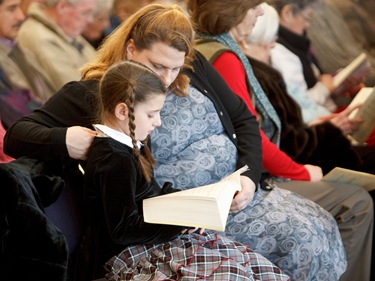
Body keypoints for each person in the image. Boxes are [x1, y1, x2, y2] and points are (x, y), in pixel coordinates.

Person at [4, 4, 347, 280]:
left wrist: (247, 176)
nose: (167, 79)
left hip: (229, 194)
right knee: (300, 241)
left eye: (175, 68)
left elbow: (243, 120)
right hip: (179, 217)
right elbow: (19, 136)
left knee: (321, 225)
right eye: (157, 65)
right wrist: (67, 139)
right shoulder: (97, 92)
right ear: (131, 47)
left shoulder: (192, 66)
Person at [186, 0, 373, 279]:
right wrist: (299, 171)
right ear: (232, 12)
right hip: (245, 180)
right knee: (357, 201)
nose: (261, 12)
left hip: (236, 175)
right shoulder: (222, 57)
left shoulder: (207, 49)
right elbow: (250, 135)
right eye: (253, 7)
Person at [84, 59, 290, 280]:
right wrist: (178, 222)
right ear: (123, 111)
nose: (158, 122)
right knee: (231, 273)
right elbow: (123, 229)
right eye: (151, 114)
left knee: (252, 265)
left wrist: (190, 207)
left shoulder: (132, 140)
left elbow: (147, 195)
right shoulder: (113, 158)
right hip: (128, 253)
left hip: (151, 240)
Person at [16, 0, 97, 93]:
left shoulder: (66, 29)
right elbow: (76, 91)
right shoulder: (38, 36)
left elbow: (100, 65)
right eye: (85, 13)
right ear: (62, 7)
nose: (90, 20)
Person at [306, 0, 375, 87]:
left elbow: (353, 50)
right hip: (344, 84)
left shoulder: (327, 6)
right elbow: (334, 65)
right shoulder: (311, 14)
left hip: (358, 72)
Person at [0, 0, 54, 103]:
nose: (21, 16)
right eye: (11, 9)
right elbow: (23, 108)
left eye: (19, 7)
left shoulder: (21, 49)